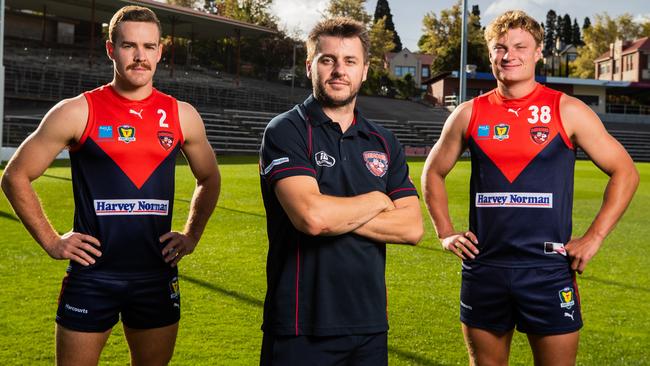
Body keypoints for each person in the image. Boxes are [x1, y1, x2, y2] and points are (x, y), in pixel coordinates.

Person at [1, 6, 220, 366]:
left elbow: (209, 177)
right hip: (92, 277)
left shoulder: (181, 114)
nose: (140, 56)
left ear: (160, 51)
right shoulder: (77, 111)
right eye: (129, 45)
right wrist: (52, 241)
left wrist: (191, 235)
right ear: (110, 49)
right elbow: (15, 175)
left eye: (149, 47)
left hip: (156, 275)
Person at [421, 10, 639, 366]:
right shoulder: (468, 113)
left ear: (539, 52)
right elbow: (432, 172)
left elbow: (625, 172)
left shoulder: (567, 110)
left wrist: (594, 237)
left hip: (548, 270)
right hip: (484, 267)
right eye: (500, 48)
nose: (510, 56)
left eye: (521, 46)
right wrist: (444, 232)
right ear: (490, 54)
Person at [258, 17, 423, 365]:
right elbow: (312, 218)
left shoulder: (384, 141)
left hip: (370, 328)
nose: (339, 70)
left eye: (350, 61)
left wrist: (335, 213)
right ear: (310, 66)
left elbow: (411, 228)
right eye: (328, 59)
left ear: (364, 70)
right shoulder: (285, 131)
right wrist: (379, 201)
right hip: (299, 328)